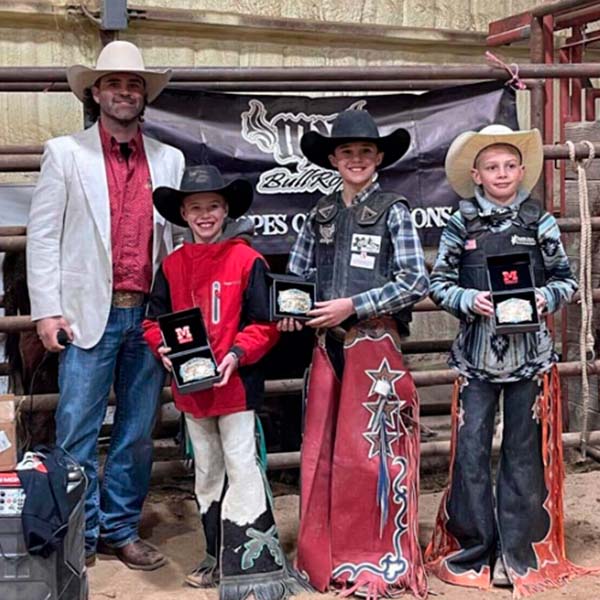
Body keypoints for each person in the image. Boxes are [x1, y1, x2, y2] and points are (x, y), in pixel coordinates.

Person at [26, 40, 185, 570]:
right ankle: (80, 532)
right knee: (76, 428)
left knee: (138, 431)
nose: (124, 91)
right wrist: (47, 311)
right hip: (86, 315)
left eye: (133, 84)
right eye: (114, 83)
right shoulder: (65, 153)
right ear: (96, 92)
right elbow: (44, 238)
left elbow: (179, 246)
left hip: (149, 316)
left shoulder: (170, 159)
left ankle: (120, 529)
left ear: (144, 96)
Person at [424, 124, 591, 595]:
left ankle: (518, 552)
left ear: (522, 172)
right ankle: (474, 548)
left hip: (531, 359)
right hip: (475, 360)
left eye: (510, 165)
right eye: (492, 167)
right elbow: (438, 284)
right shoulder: (461, 224)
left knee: (523, 454)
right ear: (476, 175)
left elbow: (566, 280)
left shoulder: (539, 222)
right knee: (472, 454)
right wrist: (468, 300)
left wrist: (542, 298)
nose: (502, 173)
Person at [143, 165, 312, 599]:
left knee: (242, 467)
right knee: (207, 472)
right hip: (191, 389)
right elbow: (153, 320)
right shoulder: (172, 266)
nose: (204, 215)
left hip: (235, 386)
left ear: (225, 211)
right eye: (195, 208)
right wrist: (161, 347)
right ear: (183, 213)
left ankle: (252, 560)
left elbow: (265, 323)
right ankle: (217, 554)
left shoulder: (247, 260)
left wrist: (237, 354)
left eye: (213, 207)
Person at [280, 109, 429, 598]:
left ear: (379, 157)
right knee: (323, 448)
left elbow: (414, 280)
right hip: (329, 347)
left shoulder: (395, 210)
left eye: (365, 152)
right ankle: (331, 551)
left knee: (373, 454)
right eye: (347, 152)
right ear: (333, 159)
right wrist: (291, 310)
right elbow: (298, 277)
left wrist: (354, 304)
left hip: (376, 345)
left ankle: (378, 555)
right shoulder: (320, 215)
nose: (356, 160)